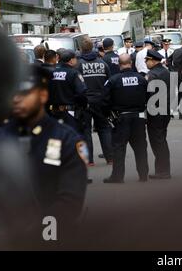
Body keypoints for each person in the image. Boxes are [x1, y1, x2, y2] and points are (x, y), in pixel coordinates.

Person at [0, 65, 88, 221]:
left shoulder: (67, 140)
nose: (17, 99)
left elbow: (71, 199)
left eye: (25, 93)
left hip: (52, 232)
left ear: (43, 95)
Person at [102, 54, 149, 183]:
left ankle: (117, 176)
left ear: (119, 64)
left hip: (121, 118)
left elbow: (104, 101)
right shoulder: (141, 79)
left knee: (119, 148)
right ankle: (143, 175)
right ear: (131, 62)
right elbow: (149, 97)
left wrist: (109, 115)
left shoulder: (113, 80)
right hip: (138, 118)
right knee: (140, 148)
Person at [77, 38, 113, 167]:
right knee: (104, 128)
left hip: (85, 102)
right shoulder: (103, 63)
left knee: (85, 130)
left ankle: (88, 160)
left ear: (81, 48)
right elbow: (109, 82)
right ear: (92, 47)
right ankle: (110, 158)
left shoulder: (78, 64)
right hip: (101, 101)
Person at [145, 50, 172, 179]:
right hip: (165, 109)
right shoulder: (166, 72)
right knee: (161, 140)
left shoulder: (152, 75)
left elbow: (149, 94)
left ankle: (163, 171)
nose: (145, 62)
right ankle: (163, 169)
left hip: (155, 111)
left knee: (157, 142)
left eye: (147, 60)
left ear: (153, 60)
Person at [48, 49, 88, 134]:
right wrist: (83, 105)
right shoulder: (74, 73)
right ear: (71, 60)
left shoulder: (51, 72)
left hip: (54, 112)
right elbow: (81, 92)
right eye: (75, 58)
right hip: (70, 113)